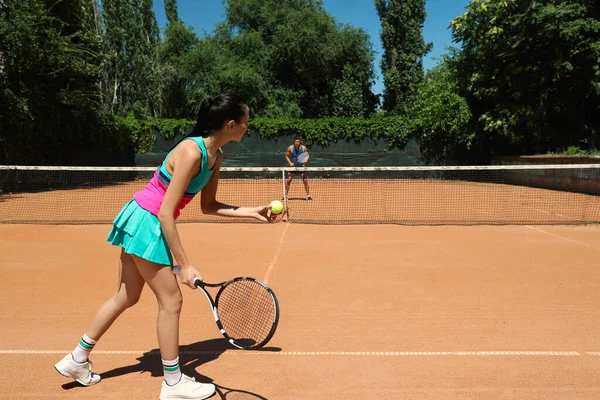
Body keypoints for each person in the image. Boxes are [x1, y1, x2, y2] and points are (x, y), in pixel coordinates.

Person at [54, 93, 278, 400]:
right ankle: (173, 383)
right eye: (245, 121)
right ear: (230, 124)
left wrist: (251, 211)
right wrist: (183, 264)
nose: (247, 127)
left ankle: (77, 360)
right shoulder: (191, 151)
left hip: (144, 219)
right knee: (171, 302)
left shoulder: (216, 157)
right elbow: (164, 213)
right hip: (148, 221)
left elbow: (208, 206)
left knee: (126, 295)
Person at [284, 136, 312, 201]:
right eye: (296, 141)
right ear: (294, 142)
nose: (297, 143)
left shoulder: (303, 148)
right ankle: (285, 196)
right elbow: (286, 156)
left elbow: (307, 155)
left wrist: (306, 160)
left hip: (301, 165)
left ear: (300, 142)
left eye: (298, 141)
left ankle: (308, 196)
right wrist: (290, 163)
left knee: (305, 181)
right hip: (293, 166)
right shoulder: (290, 148)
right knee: (288, 180)